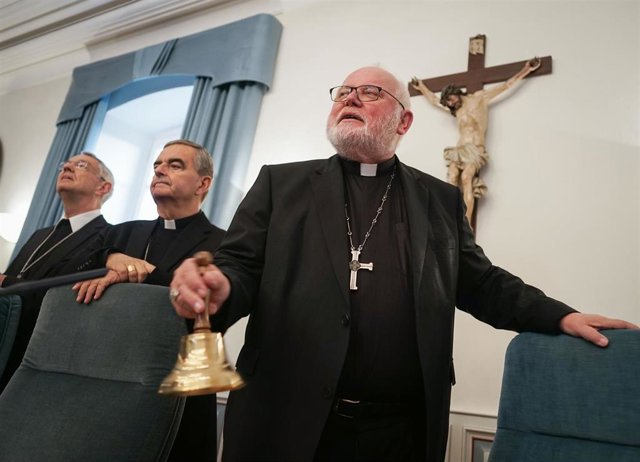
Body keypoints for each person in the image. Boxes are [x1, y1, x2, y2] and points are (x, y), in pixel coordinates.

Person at [168, 67, 637, 462]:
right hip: (284, 419)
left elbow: (482, 283)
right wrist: (219, 285)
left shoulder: (440, 199)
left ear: (404, 121)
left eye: (369, 92)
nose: (351, 98)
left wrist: (560, 314)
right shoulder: (280, 184)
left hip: (399, 431)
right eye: (344, 92)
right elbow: (239, 265)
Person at [73, 139, 225, 462]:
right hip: (105, 377)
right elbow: (75, 271)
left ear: (203, 183)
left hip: (178, 387)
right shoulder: (120, 235)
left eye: (174, 165)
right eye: (157, 165)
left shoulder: (223, 243)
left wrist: (142, 273)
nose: (159, 170)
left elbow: (210, 307)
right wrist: (112, 258)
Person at [0, 152, 114, 391]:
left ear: (103, 187)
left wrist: (6, 282)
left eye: (81, 165)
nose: (67, 168)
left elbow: (67, 295)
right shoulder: (40, 234)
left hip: (41, 354)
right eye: (65, 165)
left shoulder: (108, 237)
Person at [411, 58, 541, 226]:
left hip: (475, 148)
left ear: (456, 92)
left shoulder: (479, 99)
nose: (450, 103)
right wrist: (421, 87)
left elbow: (505, 86)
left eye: (450, 99)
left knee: (466, 179)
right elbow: (435, 101)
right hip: (460, 148)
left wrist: (526, 70)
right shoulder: (456, 111)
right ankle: (449, 221)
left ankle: (466, 226)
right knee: (451, 179)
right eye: (448, 102)